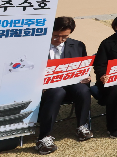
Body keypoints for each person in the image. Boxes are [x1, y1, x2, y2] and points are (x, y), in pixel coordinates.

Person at [36, 17, 93, 154]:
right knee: (57, 92)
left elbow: (83, 67)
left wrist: (87, 77)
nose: (60, 40)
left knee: (83, 90)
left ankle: (82, 126)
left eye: (65, 37)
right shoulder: (37, 47)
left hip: (72, 84)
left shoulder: (78, 45)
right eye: (56, 36)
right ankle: (44, 137)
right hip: (47, 88)